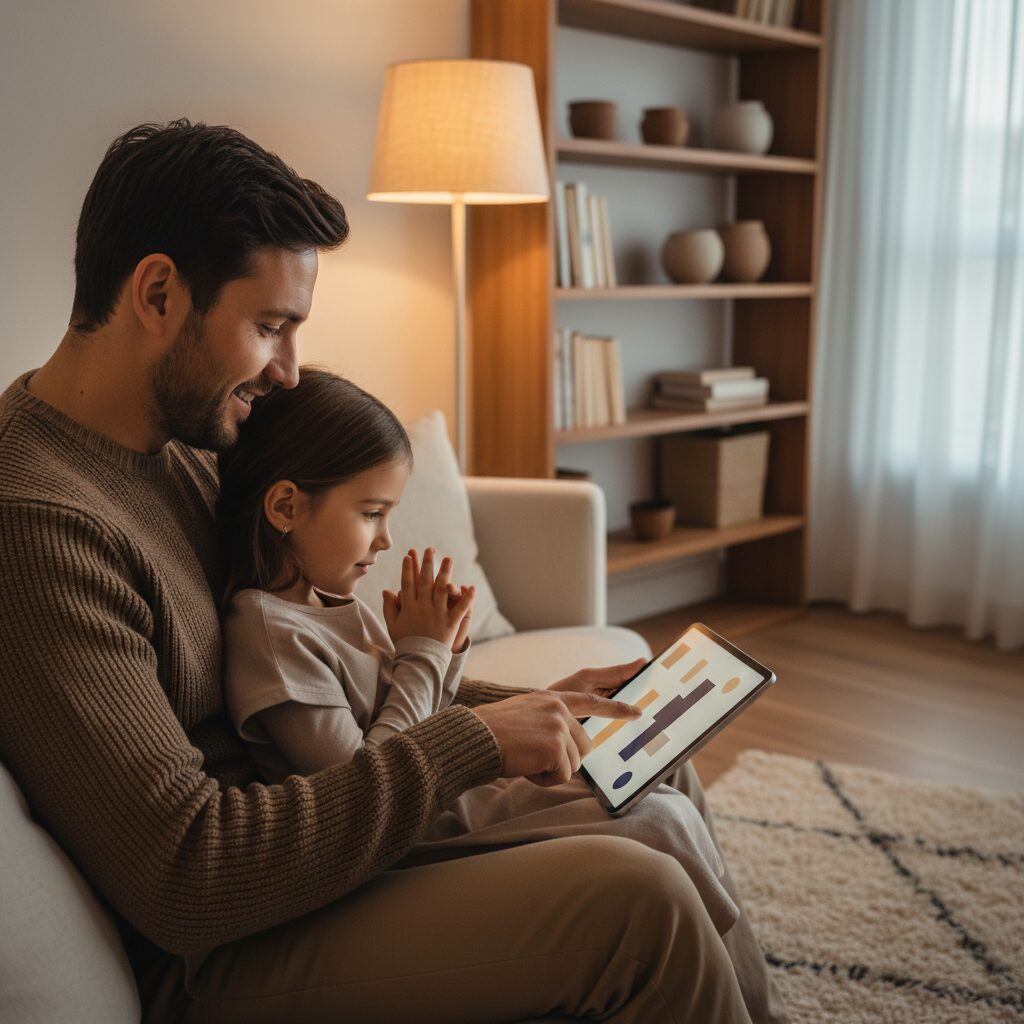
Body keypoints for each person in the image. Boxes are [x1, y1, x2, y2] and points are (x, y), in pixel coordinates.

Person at [0, 118, 788, 1023]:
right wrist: (478, 741)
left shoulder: (185, 449)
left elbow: (327, 678)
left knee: (643, 768)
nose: (290, 373)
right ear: (157, 293)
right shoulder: (41, 528)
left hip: (317, 844)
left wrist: (520, 707)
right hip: (225, 946)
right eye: (269, 326)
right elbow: (189, 875)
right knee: (636, 899)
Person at [216, 366, 739, 935]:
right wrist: (422, 654)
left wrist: (448, 648)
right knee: (659, 821)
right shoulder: (269, 635)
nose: (386, 539)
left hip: (450, 804)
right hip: (416, 845)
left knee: (657, 762)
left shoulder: (327, 601)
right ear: (286, 508)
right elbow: (365, 788)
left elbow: (418, 720)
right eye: (372, 514)